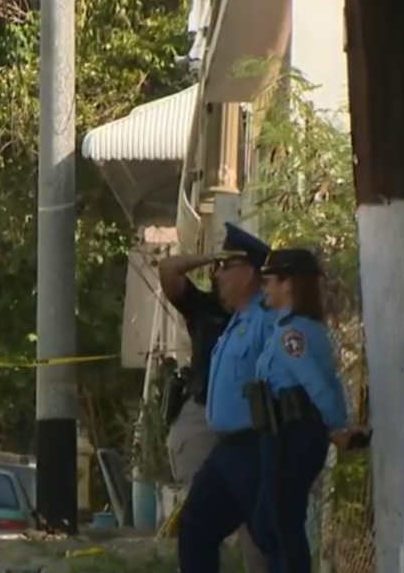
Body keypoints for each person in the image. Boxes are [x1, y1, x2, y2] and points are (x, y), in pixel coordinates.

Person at [158, 233, 267, 573]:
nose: (217, 275)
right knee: (198, 525)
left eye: (226, 267)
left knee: (259, 530)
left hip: (249, 433)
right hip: (205, 421)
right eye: (216, 268)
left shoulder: (262, 316)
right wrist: (211, 257)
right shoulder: (207, 308)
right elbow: (168, 271)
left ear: (249, 272)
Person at [253, 248, 366, 573]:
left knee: (281, 523)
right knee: (270, 522)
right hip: (284, 433)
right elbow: (331, 381)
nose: (266, 288)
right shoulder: (293, 327)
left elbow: (317, 383)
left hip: (292, 434)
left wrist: (336, 426)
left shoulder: (292, 333)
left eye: (270, 281)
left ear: (288, 285)